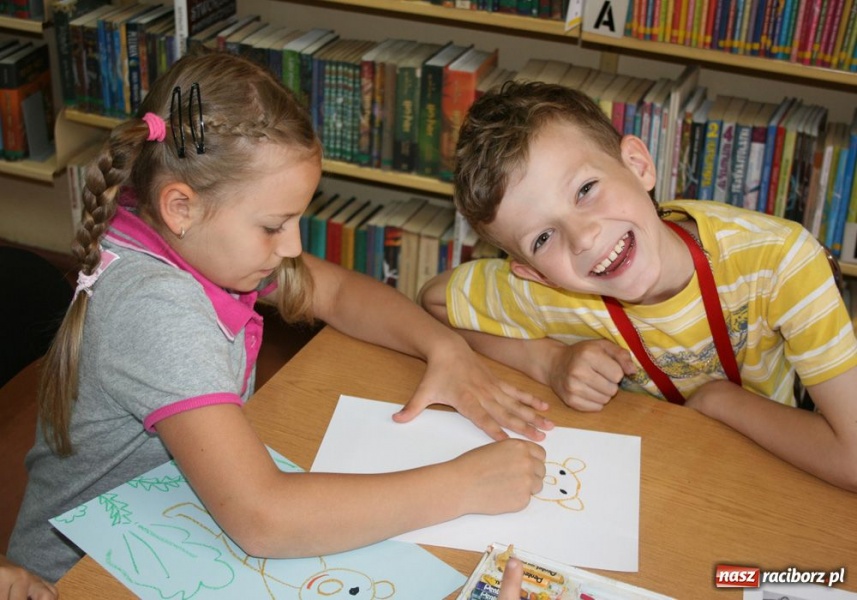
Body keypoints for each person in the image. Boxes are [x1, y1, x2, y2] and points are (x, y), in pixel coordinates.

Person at [7, 52, 550, 583]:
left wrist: (444, 347)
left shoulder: (190, 235)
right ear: (180, 207)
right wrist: (463, 485)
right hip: (80, 575)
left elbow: (336, 292)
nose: (291, 246)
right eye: (273, 226)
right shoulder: (156, 306)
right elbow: (263, 518)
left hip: (161, 527)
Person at [420, 80, 857, 491]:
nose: (584, 237)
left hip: (770, 474)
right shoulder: (549, 291)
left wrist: (719, 402)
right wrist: (548, 361)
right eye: (543, 238)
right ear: (534, 273)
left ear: (638, 165)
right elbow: (433, 303)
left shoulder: (778, 261)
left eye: (585, 189)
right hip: (650, 475)